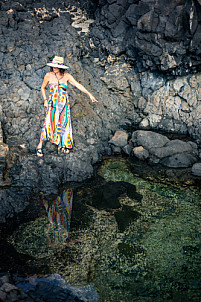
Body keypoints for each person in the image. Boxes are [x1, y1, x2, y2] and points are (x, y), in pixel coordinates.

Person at [36, 56, 98, 157]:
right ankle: (39, 145)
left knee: (63, 124)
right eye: (53, 66)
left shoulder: (67, 76)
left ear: (61, 67)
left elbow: (78, 85)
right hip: (52, 104)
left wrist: (89, 94)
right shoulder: (48, 75)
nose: (54, 68)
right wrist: (45, 100)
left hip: (64, 105)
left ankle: (61, 144)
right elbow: (42, 88)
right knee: (48, 123)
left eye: (56, 66)